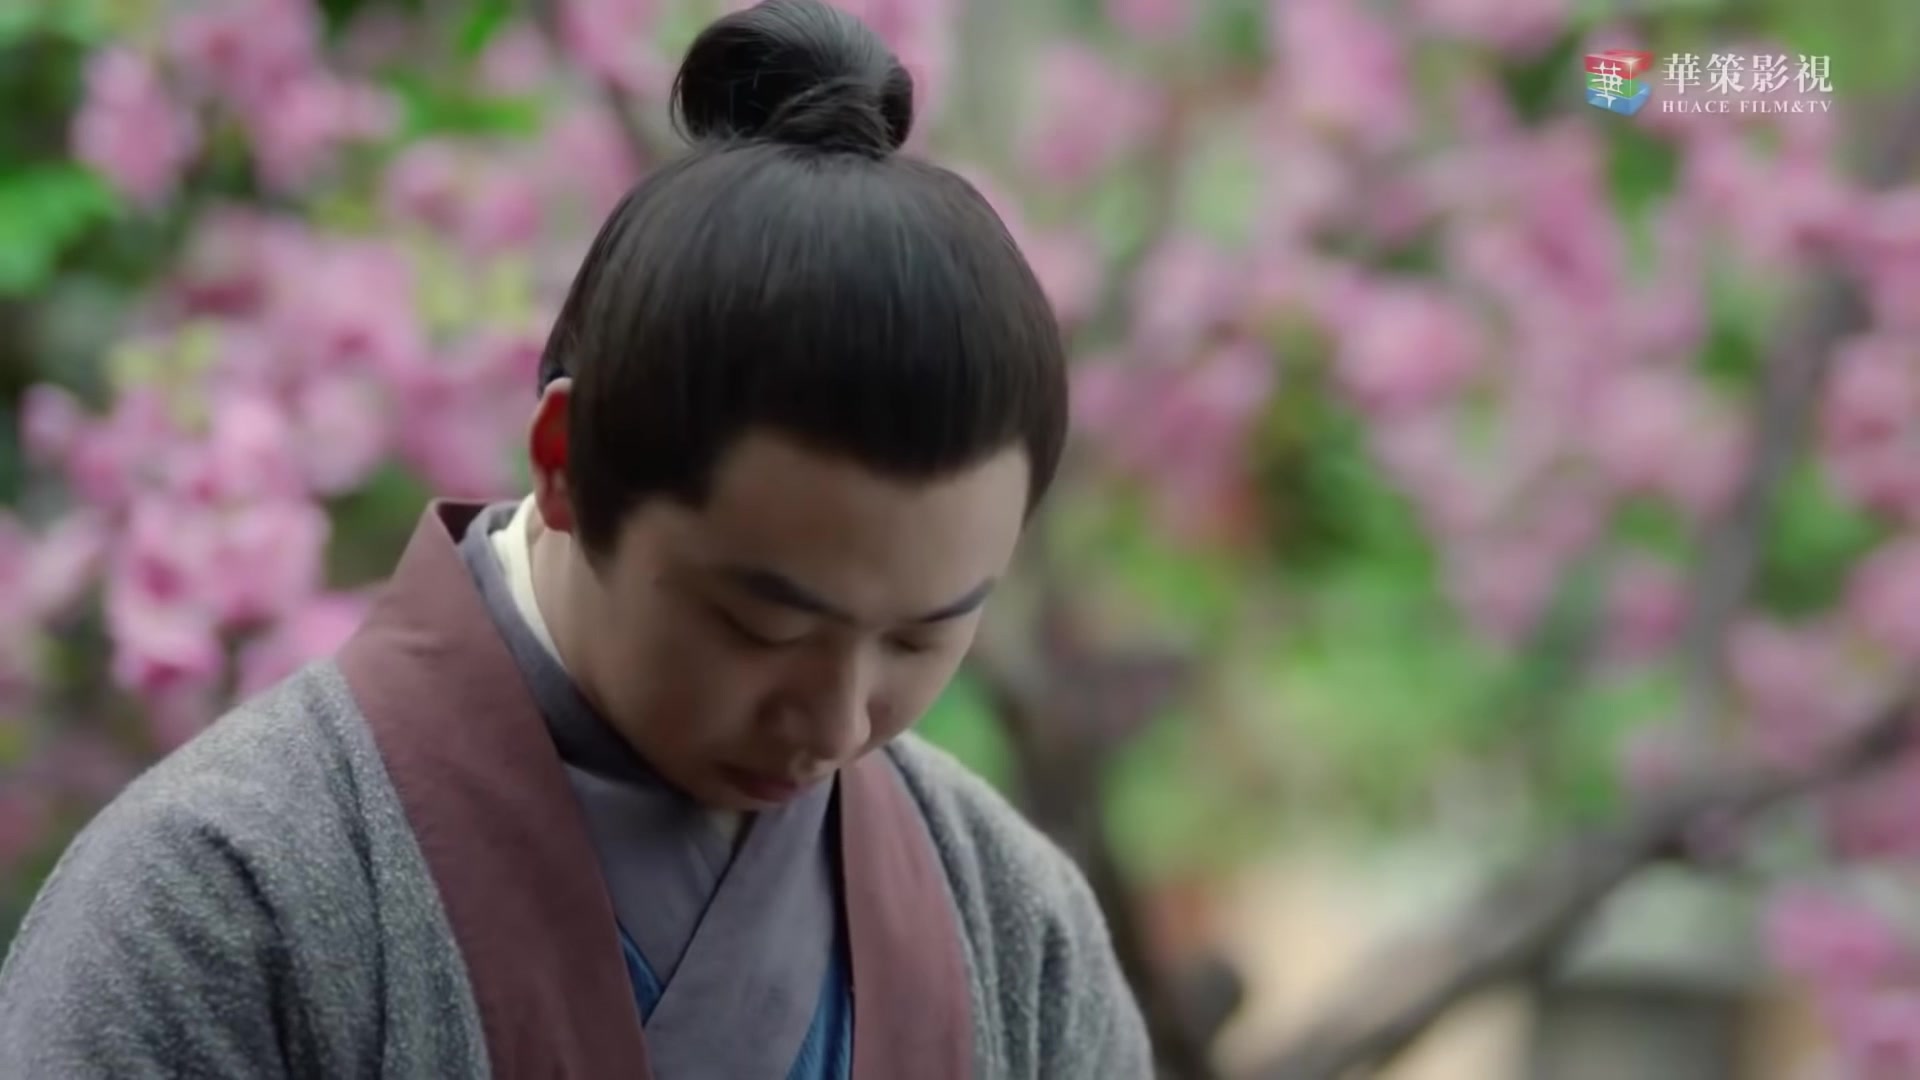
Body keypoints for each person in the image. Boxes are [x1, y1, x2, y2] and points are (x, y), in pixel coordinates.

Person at [0, 1, 1154, 1077]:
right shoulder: (222, 899)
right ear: (566, 461)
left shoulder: (1014, 922)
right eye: (762, 625)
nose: (837, 722)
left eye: (918, 641)